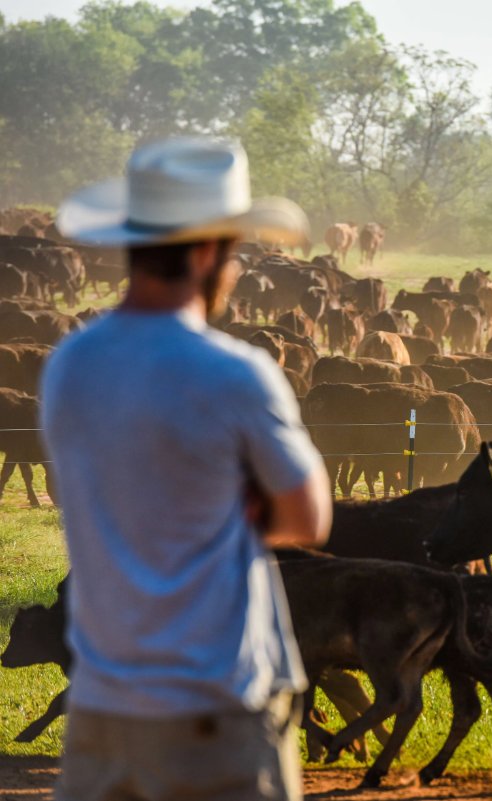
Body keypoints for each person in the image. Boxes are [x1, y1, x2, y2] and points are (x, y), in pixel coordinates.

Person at [41, 136, 332, 801]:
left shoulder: (69, 366)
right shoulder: (235, 373)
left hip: (101, 710)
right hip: (216, 710)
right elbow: (308, 517)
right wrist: (240, 502)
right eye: (233, 253)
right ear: (207, 252)